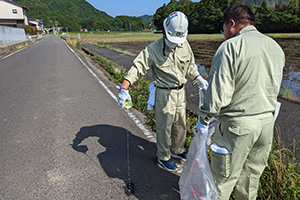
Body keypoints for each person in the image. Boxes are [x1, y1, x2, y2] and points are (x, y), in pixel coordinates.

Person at [197, 4, 285, 200]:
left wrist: (204, 120)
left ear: (231, 23)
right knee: (250, 182)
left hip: (237, 126)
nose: (224, 34)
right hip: (266, 124)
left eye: (224, 29)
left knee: (222, 182)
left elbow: (218, 92)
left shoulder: (230, 46)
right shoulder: (275, 47)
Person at [117, 11, 208, 171]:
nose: (175, 44)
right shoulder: (153, 49)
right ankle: (163, 156)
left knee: (181, 124)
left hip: (181, 92)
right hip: (164, 92)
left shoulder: (184, 44)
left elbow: (190, 65)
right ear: (165, 31)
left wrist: (198, 77)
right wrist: (124, 88)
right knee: (164, 126)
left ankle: (177, 150)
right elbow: (138, 66)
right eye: (172, 40)